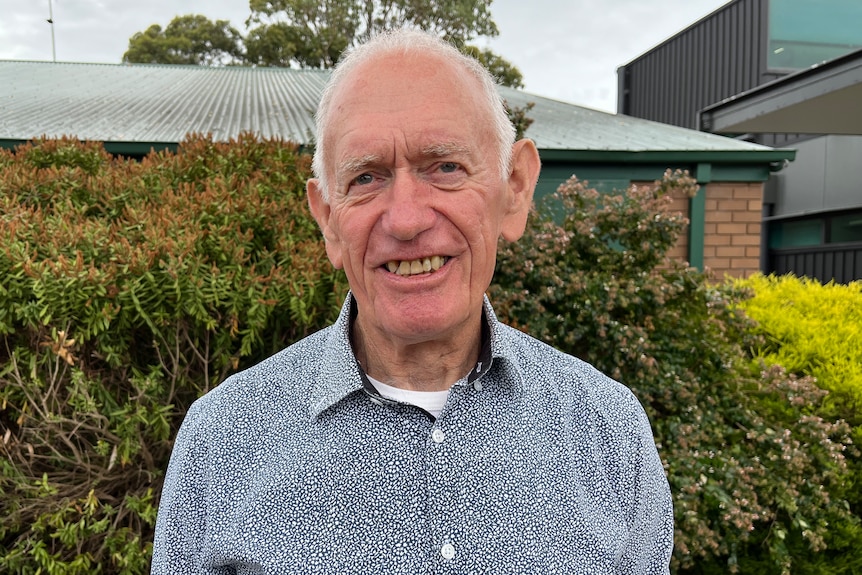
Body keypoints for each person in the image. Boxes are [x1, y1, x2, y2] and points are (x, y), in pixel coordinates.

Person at [151, 28, 673, 574]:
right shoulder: (223, 439)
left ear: (515, 187)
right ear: (327, 218)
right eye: (366, 177)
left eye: (445, 167)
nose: (405, 219)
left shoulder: (609, 429)